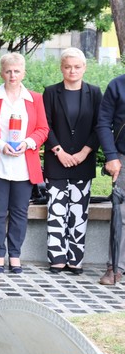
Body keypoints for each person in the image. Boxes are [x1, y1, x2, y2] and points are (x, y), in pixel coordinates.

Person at [0, 52, 48, 274]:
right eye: (8, 71)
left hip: (24, 166)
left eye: (17, 71)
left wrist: (27, 143)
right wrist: (0, 144)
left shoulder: (35, 99)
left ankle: (15, 255)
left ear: (23, 73)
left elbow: (43, 129)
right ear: (1, 73)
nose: (12, 75)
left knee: (19, 212)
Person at [43, 48, 101, 275]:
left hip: (83, 161)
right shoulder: (51, 92)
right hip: (56, 160)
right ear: (61, 68)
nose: (72, 71)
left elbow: (100, 125)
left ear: (84, 68)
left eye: (77, 67)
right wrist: (59, 151)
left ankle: (75, 258)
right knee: (56, 210)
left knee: (79, 211)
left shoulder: (94, 93)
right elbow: (45, 125)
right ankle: (57, 257)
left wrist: (85, 152)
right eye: (68, 67)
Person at [97, 70, 125, 286]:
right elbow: (103, 122)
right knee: (121, 215)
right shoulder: (117, 85)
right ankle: (115, 267)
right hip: (122, 157)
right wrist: (111, 156)